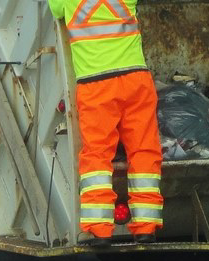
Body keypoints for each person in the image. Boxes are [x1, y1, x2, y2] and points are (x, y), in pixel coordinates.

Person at [48, 0, 164, 247]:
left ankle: (100, 230)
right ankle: (146, 227)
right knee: (144, 151)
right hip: (136, 79)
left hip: (95, 85)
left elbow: (54, 10)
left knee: (97, 156)